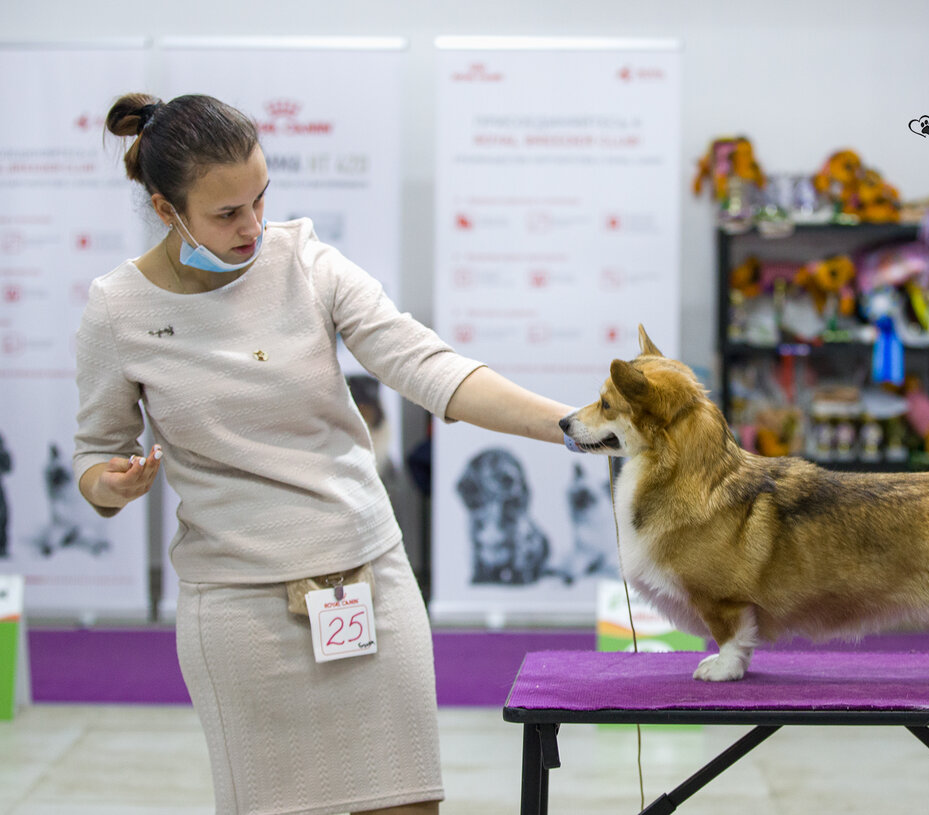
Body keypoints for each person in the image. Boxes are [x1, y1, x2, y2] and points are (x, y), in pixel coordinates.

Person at [74, 92, 573, 815]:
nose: (253, 227)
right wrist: (110, 485)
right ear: (165, 210)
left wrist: (572, 424)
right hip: (241, 610)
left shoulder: (305, 259)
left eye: (260, 198)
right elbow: (96, 455)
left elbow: (425, 364)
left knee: (407, 803)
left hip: (368, 577)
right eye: (226, 213)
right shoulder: (117, 309)